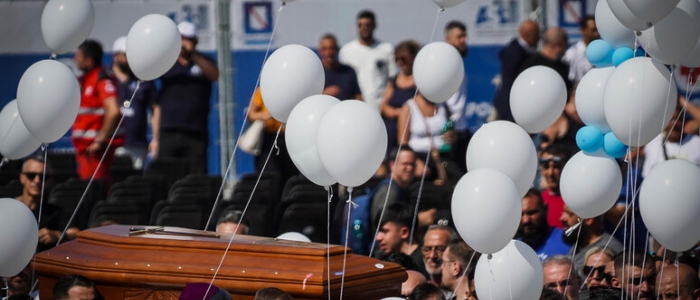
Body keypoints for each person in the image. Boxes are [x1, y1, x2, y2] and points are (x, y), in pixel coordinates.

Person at [153, 21, 219, 174]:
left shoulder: (204, 62)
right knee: (167, 174)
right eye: (180, 38)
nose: (183, 43)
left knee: (196, 175)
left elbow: (214, 75)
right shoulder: (167, 63)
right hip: (169, 131)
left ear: (195, 41)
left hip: (195, 132)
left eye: (187, 39)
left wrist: (193, 55)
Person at [72, 40, 123, 182]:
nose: (75, 58)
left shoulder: (101, 78)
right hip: (84, 149)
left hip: (95, 151)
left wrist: (100, 140)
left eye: (79, 55)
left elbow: (113, 111)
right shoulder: (84, 80)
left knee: (95, 192)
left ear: (89, 61)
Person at [110, 36, 157, 170]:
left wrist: (155, 138)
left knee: (135, 184)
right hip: (112, 144)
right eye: (125, 55)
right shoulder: (106, 78)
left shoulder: (144, 78)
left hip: (138, 144)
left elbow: (156, 108)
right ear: (116, 56)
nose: (129, 59)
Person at [16, 156, 79, 252]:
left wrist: (57, 235)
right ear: (22, 178)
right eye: (31, 175)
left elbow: (75, 233)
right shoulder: (7, 207)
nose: (37, 181)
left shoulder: (54, 212)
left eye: (43, 177)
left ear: (49, 181)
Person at [339, 10, 397, 110]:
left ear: (374, 26)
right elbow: (343, 81)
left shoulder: (387, 49)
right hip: (354, 107)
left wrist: (386, 104)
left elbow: (392, 79)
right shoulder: (346, 51)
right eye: (360, 25)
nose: (364, 28)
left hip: (380, 108)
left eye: (368, 25)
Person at [397, 91, 459, 184]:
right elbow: (403, 143)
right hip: (418, 156)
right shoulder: (408, 107)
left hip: (443, 156)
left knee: (458, 179)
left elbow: (453, 132)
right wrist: (416, 162)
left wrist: (451, 137)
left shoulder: (443, 105)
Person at [247, 87, 297, 188]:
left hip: (289, 138)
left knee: (290, 176)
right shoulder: (263, 91)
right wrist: (266, 115)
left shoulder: (294, 90)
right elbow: (251, 114)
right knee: (270, 175)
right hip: (269, 138)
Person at [380, 40, 419, 163]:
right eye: (397, 59)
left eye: (403, 59)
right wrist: (398, 113)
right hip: (391, 129)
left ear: (412, 58)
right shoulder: (394, 80)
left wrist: (404, 114)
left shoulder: (419, 81)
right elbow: (384, 105)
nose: (400, 63)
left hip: (410, 132)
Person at [493, 19, 540, 122]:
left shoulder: (522, 51)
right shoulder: (515, 53)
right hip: (510, 107)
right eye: (536, 35)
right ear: (527, 34)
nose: (538, 39)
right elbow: (511, 83)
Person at [443, 20, 471, 174]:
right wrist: (447, 127)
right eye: (459, 37)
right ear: (448, 39)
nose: (464, 40)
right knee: (453, 176)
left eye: (465, 36)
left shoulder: (459, 62)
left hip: (462, 130)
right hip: (448, 131)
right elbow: (440, 100)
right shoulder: (443, 64)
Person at [642, 104, 700, 178]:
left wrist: (683, 102)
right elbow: (647, 176)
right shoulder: (652, 145)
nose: (674, 124)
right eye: (670, 119)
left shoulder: (697, 144)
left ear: (684, 121)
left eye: (678, 119)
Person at [560, 205, 623, 271]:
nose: (562, 218)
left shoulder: (610, 248)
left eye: (570, 214)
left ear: (588, 219)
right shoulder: (578, 242)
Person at [516, 189, 570, 261]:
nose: (526, 220)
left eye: (532, 213)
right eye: (521, 214)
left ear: (545, 209)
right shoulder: (514, 248)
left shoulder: (566, 241)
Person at [370, 147, 416, 229]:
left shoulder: (400, 188)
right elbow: (384, 225)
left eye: (412, 164)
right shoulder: (390, 191)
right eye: (405, 164)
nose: (410, 168)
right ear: (392, 165)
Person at [375, 202, 425, 274]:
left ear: (404, 232)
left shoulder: (424, 261)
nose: (378, 238)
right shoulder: (382, 258)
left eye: (385, 231)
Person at [539, 142, 575, 229]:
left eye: (556, 167)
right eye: (546, 167)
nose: (550, 173)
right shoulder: (538, 201)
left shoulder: (576, 200)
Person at [318, 33, 362, 101]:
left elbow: (358, 96)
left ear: (337, 49)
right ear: (320, 51)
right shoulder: (316, 73)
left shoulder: (349, 72)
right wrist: (324, 94)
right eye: (325, 49)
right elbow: (307, 98)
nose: (329, 53)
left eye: (332, 48)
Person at [563, 15, 599, 84]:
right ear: (583, 31)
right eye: (593, 30)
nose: (597, 34)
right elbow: (570, 80)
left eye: (598, 30)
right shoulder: (572, 54)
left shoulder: (604, 53)